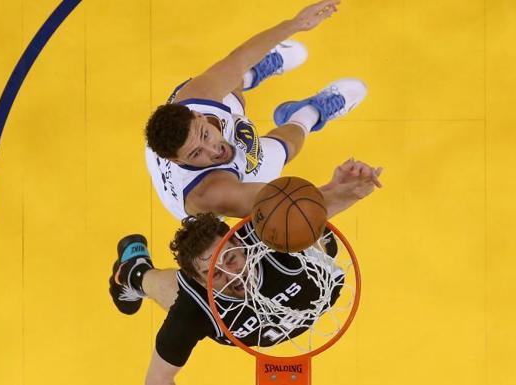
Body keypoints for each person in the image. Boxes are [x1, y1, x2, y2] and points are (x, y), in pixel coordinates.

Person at [145, 0, 378, 220]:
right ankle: (309, 112)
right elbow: (284, 205)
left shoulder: (197, 96)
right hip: (206, 183)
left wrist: (296, 23)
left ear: (197, 115)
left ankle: (255, 73)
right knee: (283, 148)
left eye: (206, 135)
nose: (213, 150)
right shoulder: (213, 193)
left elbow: (240, 57)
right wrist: (341, 191)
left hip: (186, 129)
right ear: (177, 161)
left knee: (230, 81)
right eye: (196, 153)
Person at [110, 213, 345, 385]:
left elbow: (324, 200)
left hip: (317, 284)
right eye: (216, 273)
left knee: (305, 225)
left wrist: (352, 184)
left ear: (241, 245)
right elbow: (157, 379)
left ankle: (133, 270)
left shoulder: (268, 234)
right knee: (185, 299)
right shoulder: (194, 304)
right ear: (202, 281)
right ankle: (134, 273)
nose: (233, 276)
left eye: (231, 259)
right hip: (221, 314)